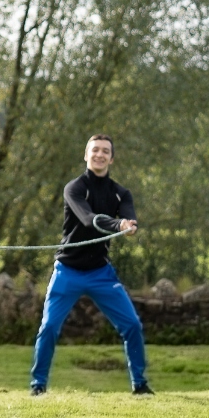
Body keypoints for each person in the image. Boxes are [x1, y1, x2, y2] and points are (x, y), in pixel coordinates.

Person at [30, 134, 152, 396]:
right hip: (67, 271)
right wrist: (118, 225)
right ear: (86, 155)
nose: (99, 155)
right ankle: (38, 386)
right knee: (49, 327)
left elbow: (130, 218)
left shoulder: (121, 194)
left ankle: (140, 385)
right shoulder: (74, 188)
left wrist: (129, 226)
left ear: (112, 158)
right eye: (95, 150)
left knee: (131, 324)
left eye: (105, 151)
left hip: (101, 273)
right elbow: (88, 219)